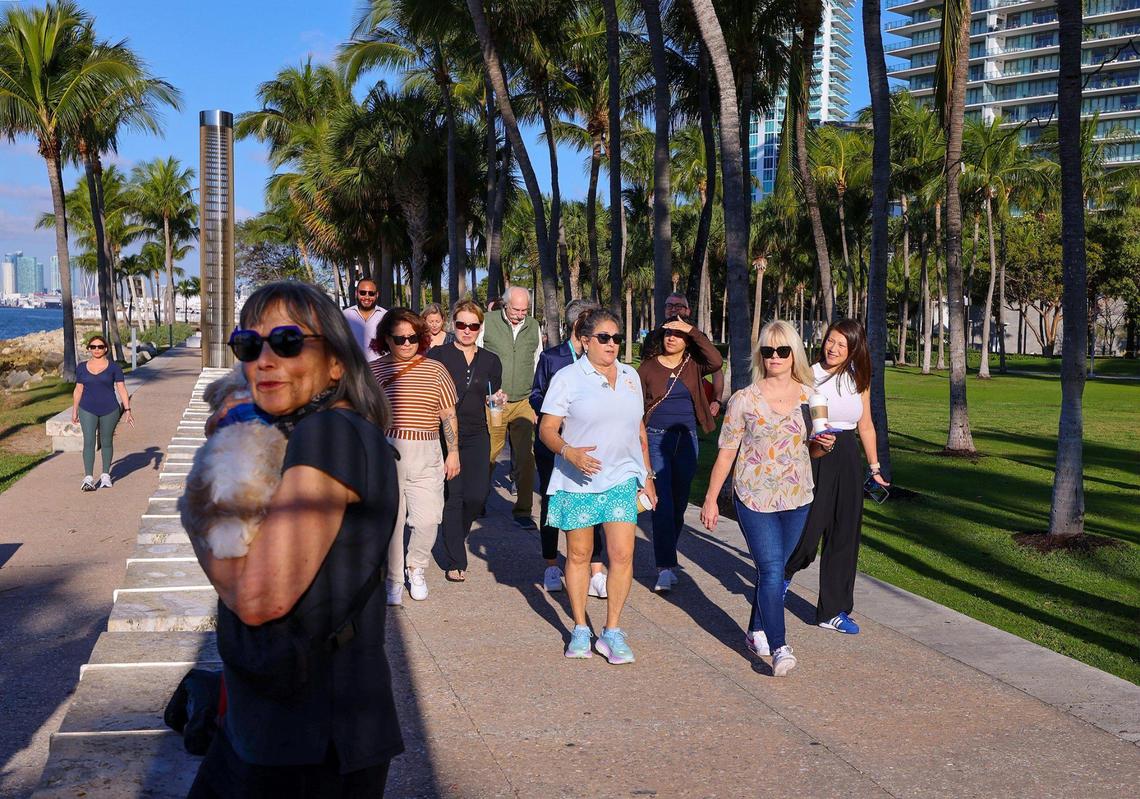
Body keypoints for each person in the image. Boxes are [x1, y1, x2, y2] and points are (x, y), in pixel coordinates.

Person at [187, 281, 401, 798]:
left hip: (309, 737)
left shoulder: (329, 434)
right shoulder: (323, 432)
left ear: (335, 362)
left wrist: (200, 493)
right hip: (281, 722)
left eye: (286, 342)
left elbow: (259, 599)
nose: (264, 360)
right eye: (249, 345)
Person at [699, 321, 833, 677]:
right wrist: (711, 498)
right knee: (771, 570)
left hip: (797, 497)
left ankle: (755, 628)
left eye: (782, 351)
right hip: (754, 498)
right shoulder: (744, 399)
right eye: (768, 351)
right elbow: (726, 453)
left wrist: (822, 445)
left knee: (773, 570)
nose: (775, 357)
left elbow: (813, 451)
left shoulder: (810, 397)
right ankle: (780, 646)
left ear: (794, 355)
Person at [539, 308, 657, 664]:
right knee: (578, 555)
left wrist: (647, 477)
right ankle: (579, 627)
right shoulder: (568, 377)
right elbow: (546, 428)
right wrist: (569, 452)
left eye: (617, 338)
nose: (612, 344)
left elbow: (638, 431)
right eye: (604, 337)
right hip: (579, 480)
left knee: (622, 554)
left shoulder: (631, 376)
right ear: (585, 340)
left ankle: (612, 631)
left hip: (621, 478)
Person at [784, 318, 890, 635]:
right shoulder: (807, 376)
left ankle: (832, 610)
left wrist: (874, 468)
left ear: (853, 349)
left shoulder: (860, 378)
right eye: (831, 340)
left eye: (842, 344)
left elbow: (866, 425)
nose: (833, 348)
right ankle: (779, 578)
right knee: (808, 529)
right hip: (814, 453)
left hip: (847, 455)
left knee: (845, 533)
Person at [371, 308, 460, 605]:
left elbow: (448, 414)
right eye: (400, 338)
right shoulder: (373, 372)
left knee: (428, 518)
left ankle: (417, 567)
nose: (407, 343)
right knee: (393, 522)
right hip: (388, 451)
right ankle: (395, 579)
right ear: (387, 339)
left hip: (428, 450)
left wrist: (454, 452)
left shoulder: (436, 370)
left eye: (412, 338)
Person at [638, 317, 723, 592]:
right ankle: (665, 566)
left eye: (678, 334)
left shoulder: (694, 365)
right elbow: (636, 408)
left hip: (686, 440)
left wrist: (692, 330)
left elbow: (716, 361)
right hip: (655, 438)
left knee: (679, 504)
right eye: (668, 334)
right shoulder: (648, 368)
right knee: (661, 503)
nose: (671, 338)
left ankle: (667, 555)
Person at [530, 299, 607, 598]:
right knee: (552, 504)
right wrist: (556, 415)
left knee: (594, 502)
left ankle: (596, 568)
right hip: (554, 444)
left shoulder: (601, 361)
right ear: (579, 325)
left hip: (590, 444)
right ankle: (552, 564)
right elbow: (536, 394)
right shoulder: (552, 358)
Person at [427, 301, 502, 582]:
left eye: (472, 325)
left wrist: (496, 400)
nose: (466, 330)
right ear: (453, 326)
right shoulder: (438, 355)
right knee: (454, 495)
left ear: (480, 327)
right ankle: (456, 559)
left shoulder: (491, 360)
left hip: (477, 432)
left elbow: (492, 394)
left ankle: (453, 533)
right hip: (445, 433)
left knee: (477, 495)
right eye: (461, 325)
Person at [478, 286, 542, 531]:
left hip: (524, 401)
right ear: (505, 305)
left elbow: (537, 362)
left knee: (526, 458)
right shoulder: (488, 321)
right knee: (490, 453)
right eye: (516, 309)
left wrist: (536, 400)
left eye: (524, 309)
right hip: (494, 400)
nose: (520, 314)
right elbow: (477, 357)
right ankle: (478, 501)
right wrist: (485, 391)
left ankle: (523, 510)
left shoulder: (534, 326)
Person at [71, 334, 132, 490]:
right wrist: (74, 410)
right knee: (89, 441)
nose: (96, 349)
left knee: (106, 442)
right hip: (87, 409)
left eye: (100, 347)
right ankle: (88, 478)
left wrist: (127, 409)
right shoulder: (82, 367)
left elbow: (121, 389)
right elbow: (78, 390)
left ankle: (105, 475)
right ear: (89, 349)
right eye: (93, 347)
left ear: (105, 349)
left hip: (110, 409)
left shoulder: (114, 368)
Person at [664, 292, 723, 415]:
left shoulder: (699, 338)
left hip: (689, 403)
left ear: (688, 311)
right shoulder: (654, 337)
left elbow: (717, 369)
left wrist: (717, 399)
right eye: (669, 306)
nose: (673, 309)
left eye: (678, 306)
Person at [343, 279, 386, 363]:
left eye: (371, 293)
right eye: (363, 293)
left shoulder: (386, 317)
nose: (367, 297)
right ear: (356, 293)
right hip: (352, 370)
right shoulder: (344, 316)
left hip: (379, 372)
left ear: (377, 295)